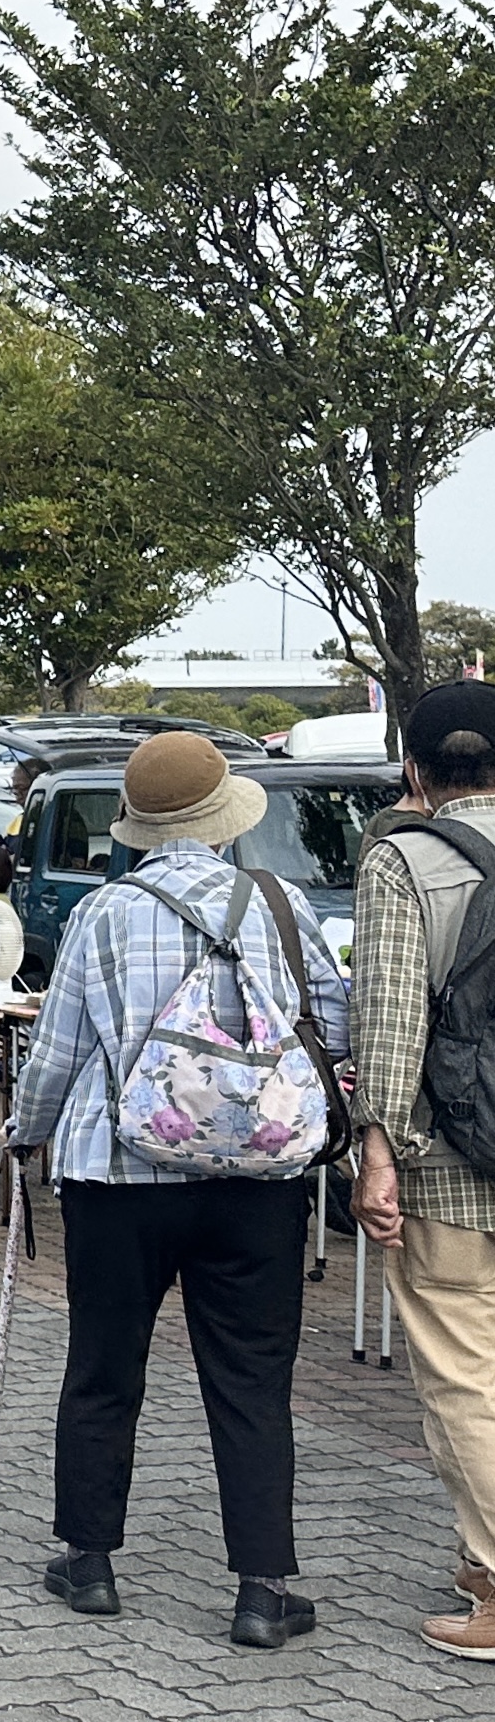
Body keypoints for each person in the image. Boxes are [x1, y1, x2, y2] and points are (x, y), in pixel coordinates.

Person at [7, 732, 348, 1650]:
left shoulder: (104, 911)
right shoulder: (279, 903)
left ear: (139, 824)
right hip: (259, 1180)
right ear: (225, 819)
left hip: (119, 1175)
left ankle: (89, 1561)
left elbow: (58, 1052)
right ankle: (263, 1590)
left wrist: (24, 1131)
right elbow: (335, 1019)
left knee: (104, 1362)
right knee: (252, 1379)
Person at [348, 680, 495, 1660]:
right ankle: (477, 1561)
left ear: (413, 770)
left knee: (463, 1376)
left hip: (448, 1161)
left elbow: (392, 1020)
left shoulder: (402, 860)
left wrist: (376, 1152)